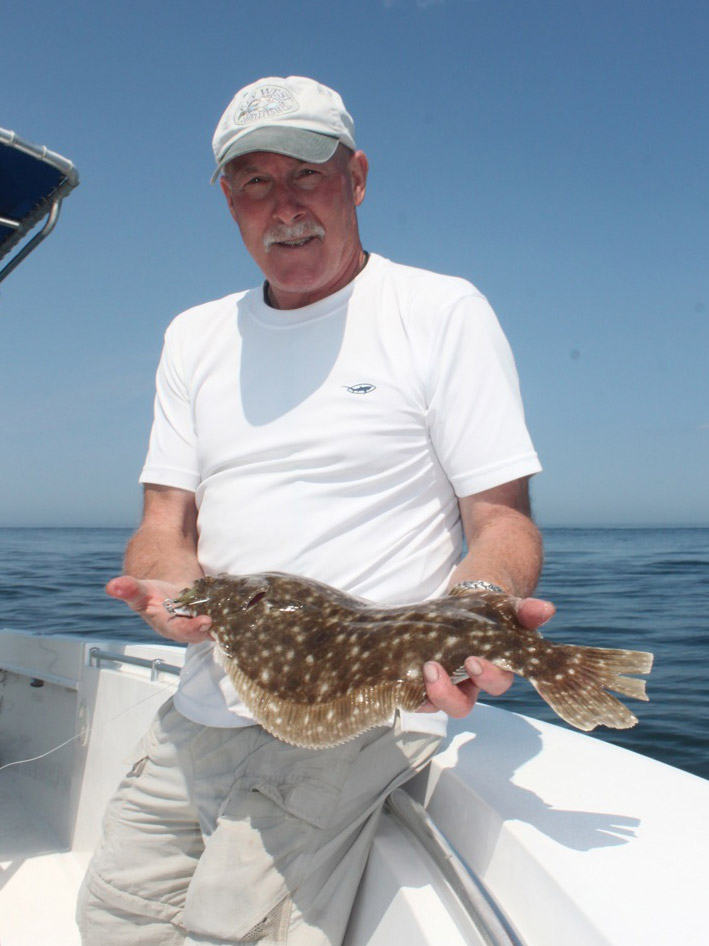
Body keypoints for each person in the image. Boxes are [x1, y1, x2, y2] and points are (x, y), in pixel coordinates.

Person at [77, 76, 553, 946]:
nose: (284, 206)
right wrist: (172, 592)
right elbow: (162, 527)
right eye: (255, 182)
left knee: (229, 932)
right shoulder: (194, 335)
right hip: (207, 702)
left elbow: (501, 523)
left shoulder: (439, 311)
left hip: (363, 709)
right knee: (111, 915)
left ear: (357, 177)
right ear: (227, 199)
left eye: (307, 174)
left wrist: (478, 614)